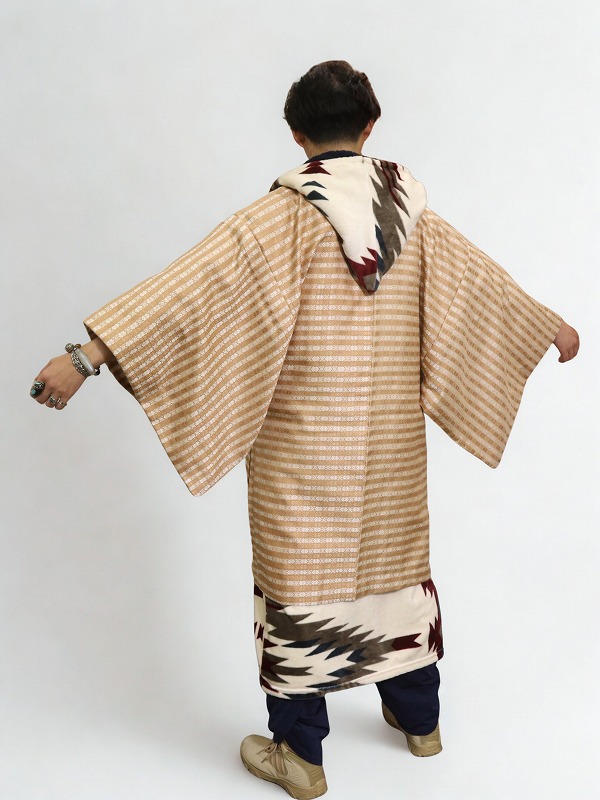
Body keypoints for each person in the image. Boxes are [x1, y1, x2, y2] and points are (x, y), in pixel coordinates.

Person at [30, 61, 579, 799]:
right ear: (371, 126)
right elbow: (483, 287)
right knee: (394, 565)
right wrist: (546, 326)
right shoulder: (415, 218)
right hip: (389, 446)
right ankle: (421, 724)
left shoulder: (279, 219)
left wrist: (85, 357)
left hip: (300, 444)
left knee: (299, 581)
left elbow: (186, 290)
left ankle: (299, 754)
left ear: (296, 135)